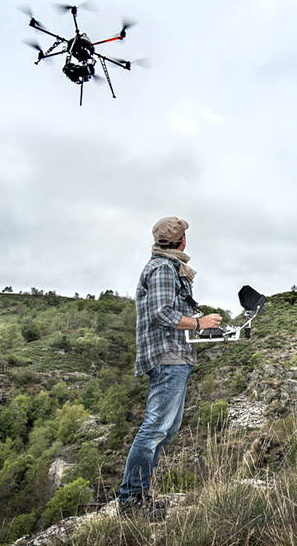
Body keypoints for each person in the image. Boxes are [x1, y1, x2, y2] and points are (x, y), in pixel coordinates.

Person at [117, 216, 221, 517]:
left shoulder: (167, 267)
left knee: (166, 429)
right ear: (182, 241)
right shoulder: (163, 268)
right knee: (154, 430)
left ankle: (140, 496)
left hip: (175, 357)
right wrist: (200, 322)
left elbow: (168, 313)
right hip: (167, 358)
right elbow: (161, 314)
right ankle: (131, 500)